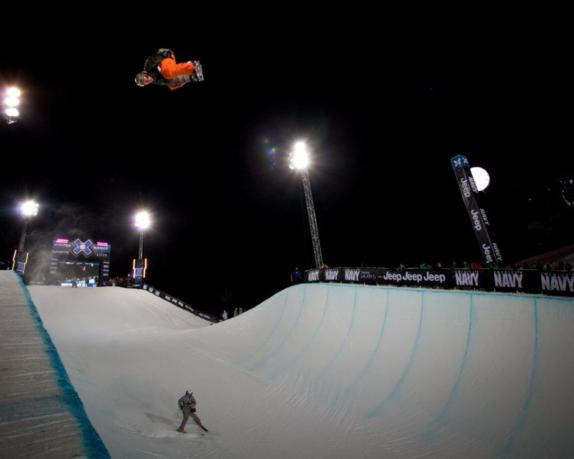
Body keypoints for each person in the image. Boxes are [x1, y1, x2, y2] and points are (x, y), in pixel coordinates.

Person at [135, 48, 203, 91]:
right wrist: (190, 78)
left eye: (146, 77)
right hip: (170, 65)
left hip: (165, 56)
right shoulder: (157, 81)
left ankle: (192, 67)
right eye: (147, 82)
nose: (149, 79)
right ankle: (192, 75)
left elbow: (154, 59)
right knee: (171, 85)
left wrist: (163, 54)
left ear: (145, 73)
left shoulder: (148, 66)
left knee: (166, 72)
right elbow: (173, 81)